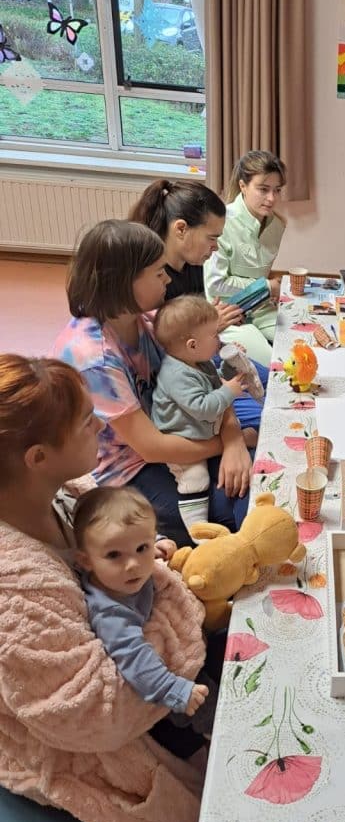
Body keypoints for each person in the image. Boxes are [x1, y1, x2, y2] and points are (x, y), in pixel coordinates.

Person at [0, 354, 206, 822]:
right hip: (82, 741)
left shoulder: (68, 493)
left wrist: (140, 562)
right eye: (85, 423)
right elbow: (93, 714)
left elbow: (133, 574)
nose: (100, 425)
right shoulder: (14, 587)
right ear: (37, 457)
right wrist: (170, 610)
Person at [54, 220, 253, 548]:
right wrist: (227, 445)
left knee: (252, 472)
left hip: (177, 439)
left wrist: (233, 440)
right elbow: (151, 447)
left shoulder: (147, 322)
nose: (167, 279)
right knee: (231, 507)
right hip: (127, 472)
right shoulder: (94, 357)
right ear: (123, 281)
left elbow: (209, 376)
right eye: (158, 272)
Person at [128, 177, 268, 434]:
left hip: (205, 354)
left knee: (274, 381)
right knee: (265, 417)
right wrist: (210, 325)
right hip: (189, 376)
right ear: (181, 229)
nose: (215, 248)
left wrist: (211, 324)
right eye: (212, 238)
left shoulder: (191, 264)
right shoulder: (152, 282)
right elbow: (167, 346)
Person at [73, 486, 211, 725]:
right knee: (208, 711)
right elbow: (134, 658)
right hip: (170, 691)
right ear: (86, 561)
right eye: (114, 555)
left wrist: (155, 544)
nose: (133, 565)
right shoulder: (109, 612)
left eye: (141, 548)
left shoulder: (128, 568)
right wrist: (173, 689)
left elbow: (136, 536)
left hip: (191, 641)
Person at [152, 296, 247, 534]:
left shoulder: (198, 362)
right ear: (193, 345)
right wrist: (228, 392)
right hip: (182, 439)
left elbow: (214, 381)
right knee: (196, 479)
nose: (219, 340)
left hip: (202, 429)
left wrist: (230, 365)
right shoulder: (177, 375)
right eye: (215, 335)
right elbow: (203, 407)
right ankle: (198, 530)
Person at [204, 150, 288, 367]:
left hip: (260, 305)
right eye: (263, 189)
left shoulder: (277, 225)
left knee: (297, 342)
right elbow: (215, 285)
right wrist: (266, 286)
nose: (272, 198)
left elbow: (261, 273)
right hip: (227, 312)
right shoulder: (222, 222)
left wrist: (266, 290)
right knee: (275, 365)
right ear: (243, 186)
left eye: (277, 190)